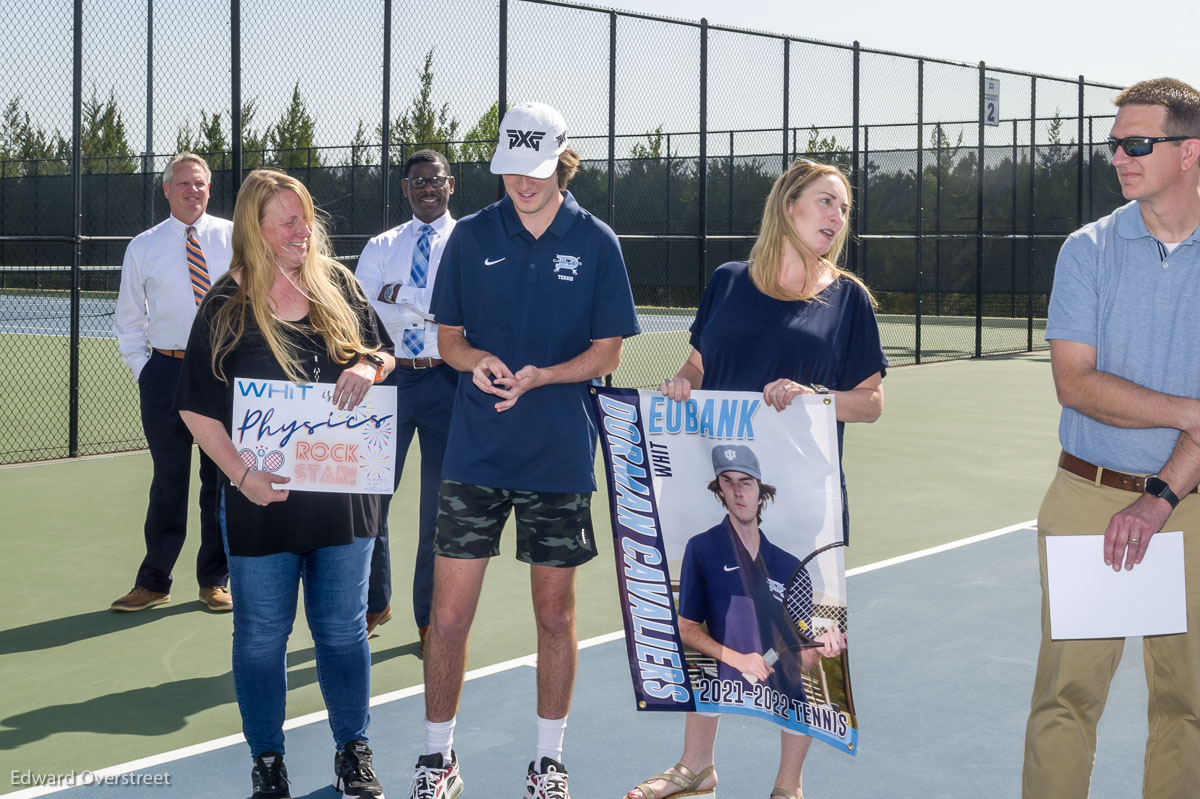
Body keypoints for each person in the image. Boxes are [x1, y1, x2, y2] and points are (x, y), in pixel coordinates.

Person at [628, 158, 886, 799]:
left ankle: (787, 785)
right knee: (710, 624)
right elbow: (697, 361)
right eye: (826, 202)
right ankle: (696, 768)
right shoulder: (729, 281)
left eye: (844, 209)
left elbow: (871, 401)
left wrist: (812, 394)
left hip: (801, 504)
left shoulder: (847, 298)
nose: (837, 217)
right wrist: (683, 382)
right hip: (722, 493)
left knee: (798, 641)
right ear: (788, 206)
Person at [407, 101, 640, 799]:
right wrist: (474, 361)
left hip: (558, 457)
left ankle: (547, 762)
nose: (522, 182)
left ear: (562, 162)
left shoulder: (597, 242)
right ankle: (437, 759)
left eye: (535, 169)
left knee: (554, 615)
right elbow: (448, 339)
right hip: (475, 455)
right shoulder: (470, 236)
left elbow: (606, 352)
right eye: (512, 167)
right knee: (446, 615)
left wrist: (545, 374)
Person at [175, 168, 396, 799]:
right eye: (288, 222)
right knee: (261, 638)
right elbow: (196, 407)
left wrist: (364, 365)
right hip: (259, 506)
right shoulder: (224, 306)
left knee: (343, 633)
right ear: (256, 228)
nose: (304, 231)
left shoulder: (338, 287)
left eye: (305, 218)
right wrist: (243, 477)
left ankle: (354, 751)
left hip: (343, 506)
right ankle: (267, 760)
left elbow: (384, 354)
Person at [1022, 77, 1200, 799]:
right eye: (1115, 144)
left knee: (1187, 707)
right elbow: (1077, 382)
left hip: (1186, 506)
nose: (1121, 157)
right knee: (1065, 702)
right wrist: (1190, 409)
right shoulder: (1086, 249)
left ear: (1189, 152)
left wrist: (1159, 497)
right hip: (1085, 497)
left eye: (1138, 143)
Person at [111, 152, 232, 612]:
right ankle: (155, 581)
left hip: (220, 371)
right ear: (166, 190)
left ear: (208, 188)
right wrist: (146, 371)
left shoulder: (235, 236)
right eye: (183, 183)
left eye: (199, 183)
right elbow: (129, 318)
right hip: (165, 372)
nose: (192, 190)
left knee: (219, 480)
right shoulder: (143, 246)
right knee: (168, 480)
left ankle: (214, 580)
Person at [355, 149, 458, 647]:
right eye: (417, 182)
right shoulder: (381, 245)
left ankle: (429, 619)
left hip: (448, 382)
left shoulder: (468, 242)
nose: (426, 189)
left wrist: (403, 296)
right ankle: (377, 603)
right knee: (370, 498)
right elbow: (364, 309)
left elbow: (456, 308)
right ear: (405, 188)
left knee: (438, 512)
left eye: (434, 180)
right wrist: (428, 302)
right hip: (389, 378)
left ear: (450, 184)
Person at [675, 445, 845, 705]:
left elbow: (806, 660)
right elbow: (687, 629)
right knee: (696, 748)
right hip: (720, 688)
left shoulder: (790, 566)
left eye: (746, 482)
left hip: (786, 697)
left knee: (799, 728)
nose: (738, 492)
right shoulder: (701, 549)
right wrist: (738, 660)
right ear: (720, 491)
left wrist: (821, 648)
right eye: (728, 483)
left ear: (760, 494)